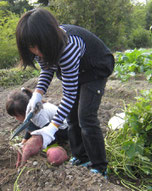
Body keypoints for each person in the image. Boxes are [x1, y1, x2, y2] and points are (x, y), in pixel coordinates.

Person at [15, 8, 114, 176]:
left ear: (47, 38)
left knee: (86, 117)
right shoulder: (41, 44)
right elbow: (47, 70)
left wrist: (52, 127)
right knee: (71, 115)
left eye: (38, 47)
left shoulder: (69, 47)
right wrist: (37, 95)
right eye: (32, 48)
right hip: (78, 69)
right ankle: (80, 156)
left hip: (96, 68)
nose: (37, 52)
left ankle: (100, 166)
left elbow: (69, 94)